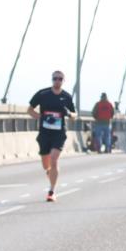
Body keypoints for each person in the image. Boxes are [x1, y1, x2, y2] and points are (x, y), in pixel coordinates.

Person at [28, 71, 76, 201]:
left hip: (59, 133)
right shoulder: (43, 94)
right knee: (46, 164)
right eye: (55, 78)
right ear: (52, 80)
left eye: (60, 79)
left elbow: (74, 115)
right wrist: (41, 117)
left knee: (54, 160)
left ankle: (52, 191)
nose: (57, 81)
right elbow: (29, 110)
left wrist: (69, 114)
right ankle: (50, 172)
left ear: (63, 81)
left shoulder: (67, 97)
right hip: (44, 133)